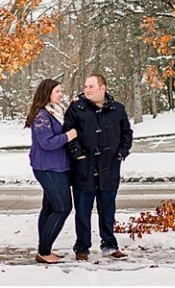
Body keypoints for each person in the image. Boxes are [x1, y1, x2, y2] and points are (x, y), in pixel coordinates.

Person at [64, 74, 133, 261]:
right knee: (83, 212)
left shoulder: (117, 109)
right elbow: (68, 132)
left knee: (108, 210)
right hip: (84, 169)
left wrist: (121, 152)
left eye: (91, 86)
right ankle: (82, 247)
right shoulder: (76, 108)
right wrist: (77, 152)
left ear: (102, 88)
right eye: (86, 86)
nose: (87, 90)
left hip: (109, 168)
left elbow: (127, 133)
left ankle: (109, 244)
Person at [25, 78, 78, 264]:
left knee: (49, 208)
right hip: (47, 167)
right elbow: (46, 143)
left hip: (57, 166)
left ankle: (44, 249)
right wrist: (68, 136)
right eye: (57, 91)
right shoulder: (41, 115)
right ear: (47, 93)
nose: (60, 94)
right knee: (63, 208)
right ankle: (44, 251)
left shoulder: (53, 111)